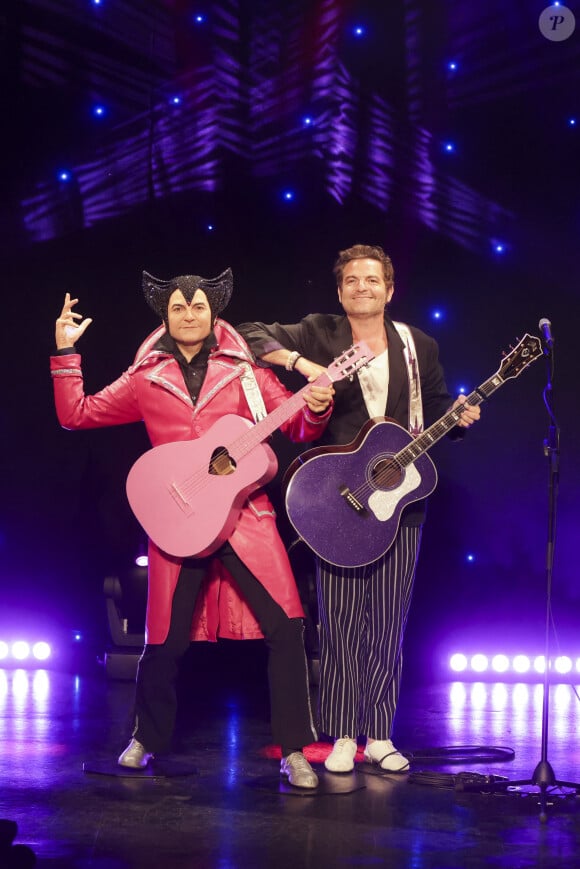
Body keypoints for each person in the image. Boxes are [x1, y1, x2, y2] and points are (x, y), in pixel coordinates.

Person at [51, 267, 335, 789]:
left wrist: (316, 405)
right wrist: (66, 355)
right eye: (179, 308)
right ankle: (145, 739)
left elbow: (295, 424)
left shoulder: (247, 372)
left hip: (244, 516)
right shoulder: (145, 377)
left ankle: (294, 750)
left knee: (288, 628)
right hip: (178, 518)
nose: (189, 315)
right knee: (163, 638)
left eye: (198, 306)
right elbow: (77, 414)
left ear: (213, 314)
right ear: (166, 315)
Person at [237, 243, 481, 774]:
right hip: (336, 501)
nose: (362, 287)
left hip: (401, 499)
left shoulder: (419, 345)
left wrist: (457, 417)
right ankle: (344, 734)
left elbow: (434, 410)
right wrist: (304, 365)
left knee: (388, 623)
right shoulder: (319, 331)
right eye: (352, 280)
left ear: (390, 290)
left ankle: (381, 735)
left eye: (373, 280)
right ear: (340, 290)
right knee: (342, 621)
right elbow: (249, 336)